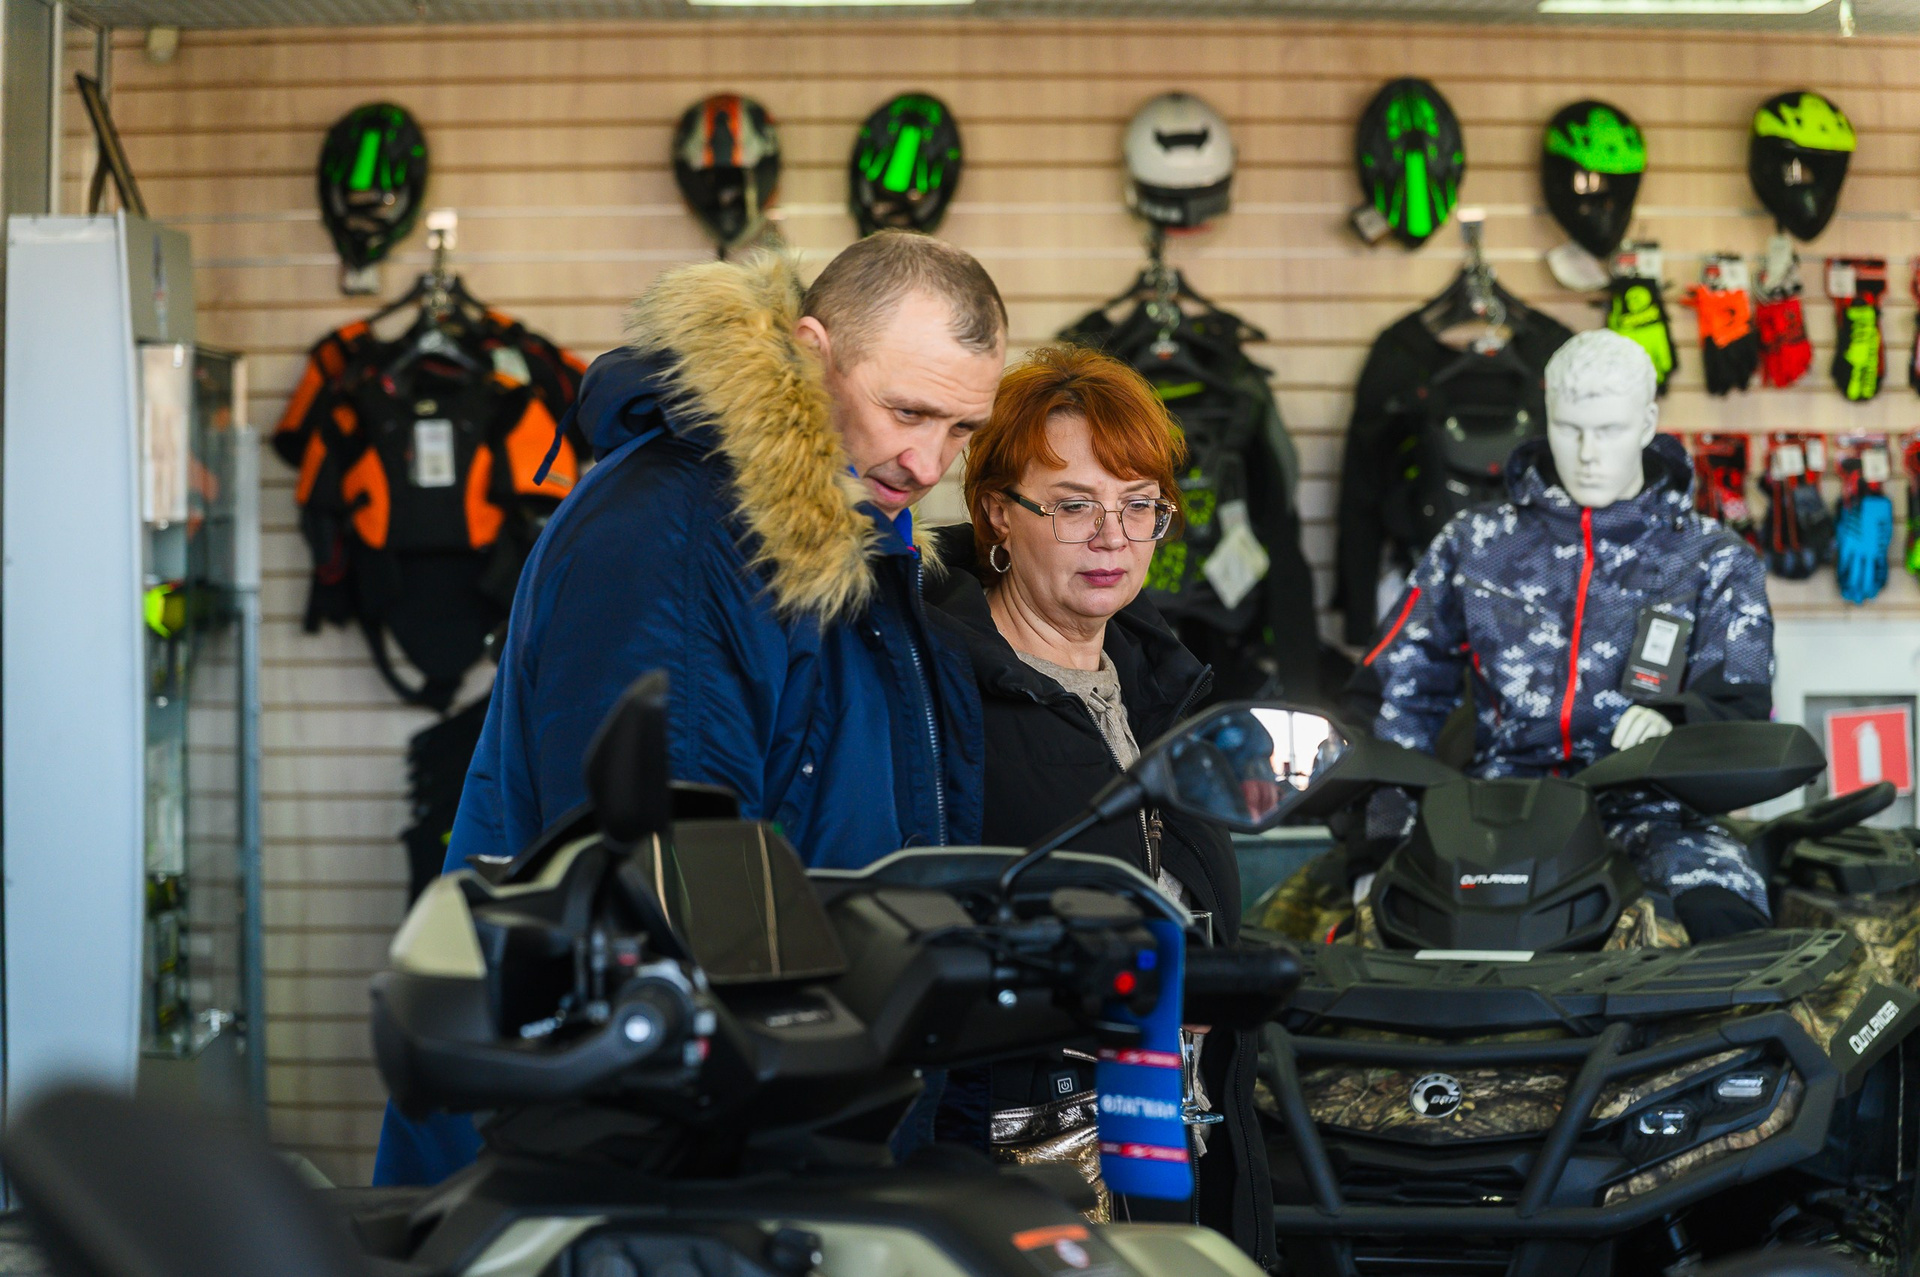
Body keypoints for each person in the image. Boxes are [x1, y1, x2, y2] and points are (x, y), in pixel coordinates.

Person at [375, 231, 1008, 1186]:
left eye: (962, 429)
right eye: (907, 410)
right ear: (812, 351)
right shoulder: (682, 532)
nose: (929, 462)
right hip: (616, 1146)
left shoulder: (845, 528)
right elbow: (658, 889)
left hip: (778, 1114)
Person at [923, 344, 1274, 1268]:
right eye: (1074, 504)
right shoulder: (939, 695)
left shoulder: (1161, 684)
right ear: (998, 513)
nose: (1113, 537)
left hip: (1174, 1145)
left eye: (1139, 504)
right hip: (1025, 1172)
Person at [1348, 329, 1776, 940]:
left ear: (1648, 423)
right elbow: (1399, 694)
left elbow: (1742, 707)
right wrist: (1380, 841)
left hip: (1650, 812)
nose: (1587, 452)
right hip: (1496, 811)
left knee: (1726, 927)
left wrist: (1680, 722)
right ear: (1546, 418)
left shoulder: (1712, 559)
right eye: (1569, 428)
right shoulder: (1476, 544)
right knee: (1390, 937)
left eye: (1609, 430)